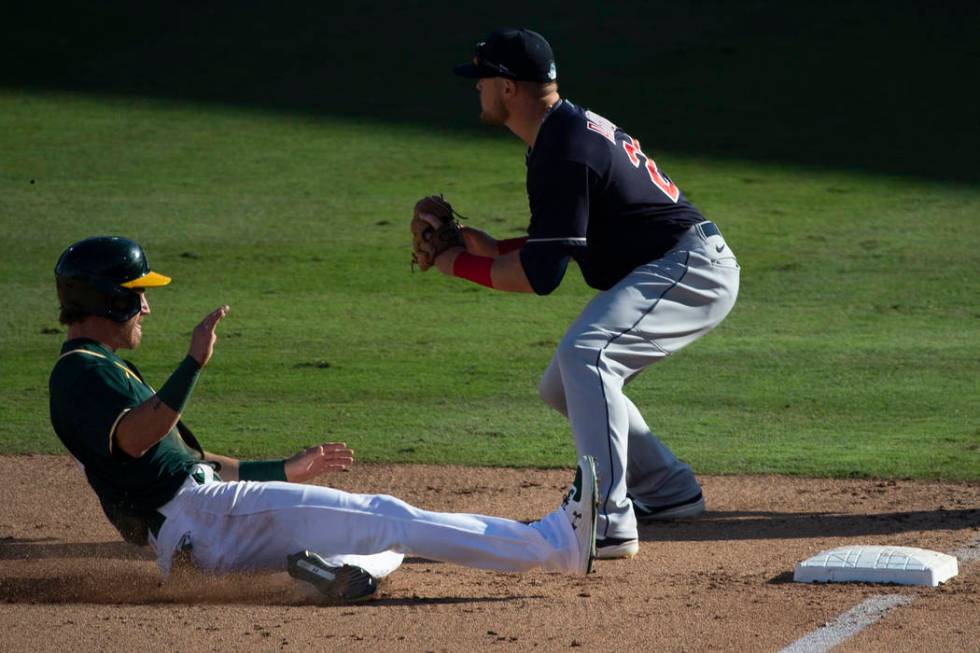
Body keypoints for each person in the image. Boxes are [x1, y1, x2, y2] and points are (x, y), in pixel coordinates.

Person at [48, 236, 598, 602]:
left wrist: (284, 469)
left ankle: (323, 574)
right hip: (207, 517)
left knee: (380, 544)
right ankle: (552, 545)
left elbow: (198, 461)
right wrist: (193, 362)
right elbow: (140, 439)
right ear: (109, 300)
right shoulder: (80, 375)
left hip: (200, 532)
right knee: (387, 516)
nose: (146, 307)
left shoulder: (98, 371)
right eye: (137, 295)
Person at [425, 28, 740, 560]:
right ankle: (666, 489)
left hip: (689, 268)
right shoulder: (560, 132)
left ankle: (610, 520)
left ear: (507, 87)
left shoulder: (563, 148)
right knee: (563, 385)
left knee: (587, 356)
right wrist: (493, 248)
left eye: (481, 79)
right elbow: (559, 246)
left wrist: (455, 263)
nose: (475, 89)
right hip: (672, 262)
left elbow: (540, 277)